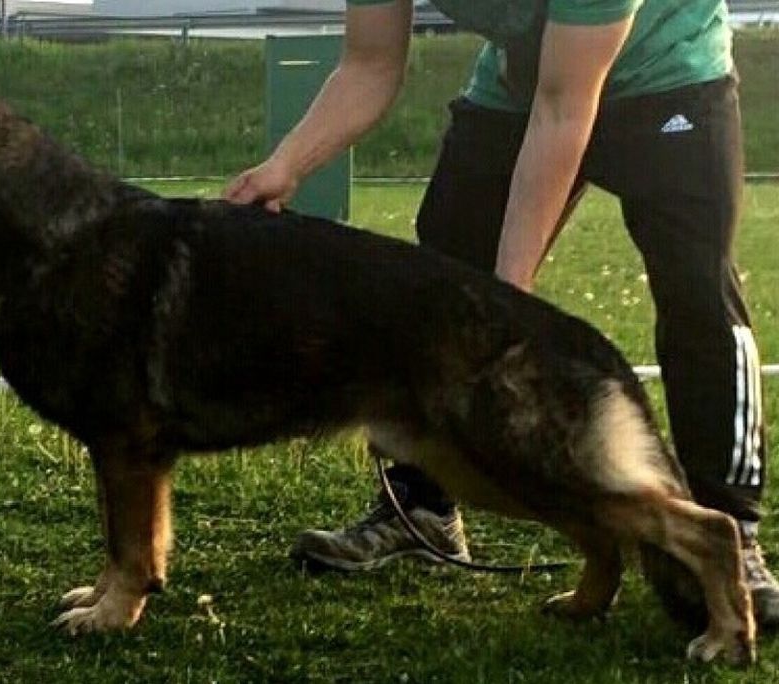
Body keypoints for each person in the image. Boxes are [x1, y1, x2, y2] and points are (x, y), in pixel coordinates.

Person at [223, 0, 779, 625]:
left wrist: (507, 302)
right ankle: (424, 508)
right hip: (526, 81)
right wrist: (285, 165)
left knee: (699, 290)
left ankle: (732, 530)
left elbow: (565, 109)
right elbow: (369, 65)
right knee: (441, 274)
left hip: (669, 74)